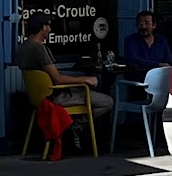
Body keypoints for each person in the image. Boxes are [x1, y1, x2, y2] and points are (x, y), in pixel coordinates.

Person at [16, 13, 113, 148]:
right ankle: (74, 126)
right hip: (54, 97)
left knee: (84, 91)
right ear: (43, 28)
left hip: (38, 98)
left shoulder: (22, 47)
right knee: (107, 101)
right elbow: (57, 79)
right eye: (48, 26)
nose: (50, 29)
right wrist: (86, 79)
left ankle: (69, 126)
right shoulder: (39, 49)